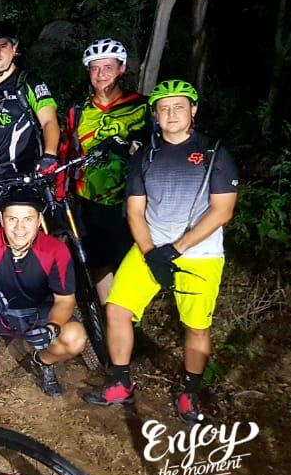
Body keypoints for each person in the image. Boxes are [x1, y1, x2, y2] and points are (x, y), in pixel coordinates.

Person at [85, 80, 238, 425]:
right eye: (163, 108)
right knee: (117, 309)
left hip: (200, 254)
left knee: (196, 327)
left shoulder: (214, 153)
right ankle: (121, 382)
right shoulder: (146, 155)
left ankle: (190, 392)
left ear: (193, 110)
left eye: (178, 106)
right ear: (155, 114)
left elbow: (222, 211)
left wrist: (175, 250)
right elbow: (134, 211)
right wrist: (151, 252)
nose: (171, 114)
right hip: (149, 247)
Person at [0, 188, 87, 397]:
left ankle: (42, 362)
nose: (19, 228)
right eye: (12, 219)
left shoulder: (55, 249)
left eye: (27, 219)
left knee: (75, 337)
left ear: (39, 220)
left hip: (36, 316)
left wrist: (52, 328)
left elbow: (65, 299)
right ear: (1, 219)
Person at [61, 38, 148, 305]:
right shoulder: (78, 110)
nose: (101, 75)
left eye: (108, 67)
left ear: (122, 69)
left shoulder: (142, 106)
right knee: (100, 264)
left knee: (130, 262)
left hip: (131, 199)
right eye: (95, 68)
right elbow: (67, 149)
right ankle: (112, 320)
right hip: (90, 200)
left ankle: (128, 317)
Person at [0, 21, 61, 222]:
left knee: (22, 232)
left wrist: (49, 155)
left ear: (14, 49)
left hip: (20, 175)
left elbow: (49, 121)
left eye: (3, 46)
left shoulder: (28, 83)